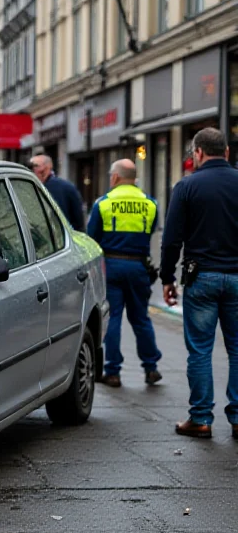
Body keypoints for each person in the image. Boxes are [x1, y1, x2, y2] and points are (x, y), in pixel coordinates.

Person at [160, 127, 238, 440]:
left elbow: (170, 240)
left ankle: (201, 418)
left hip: (201, 277)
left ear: (198, 154)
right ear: (228, 153)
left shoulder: (187, 186)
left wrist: (167, 278)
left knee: (201, 351)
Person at [87, 159, 162, 388]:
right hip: (138, 266)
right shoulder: (151, 204)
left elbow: (92, 239)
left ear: (116, 177)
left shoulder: (104, 203)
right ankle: (151, 368)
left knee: (114, 319)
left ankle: (112, 372)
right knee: (141, 319)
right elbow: (149, 233)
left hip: (111, 267)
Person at [30, 155, 85, 231]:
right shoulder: (28, 186)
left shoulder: (66, 188)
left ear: (46, 168)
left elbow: (78, 221)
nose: (32, 170)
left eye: (35, 166)